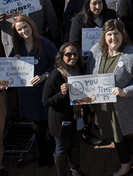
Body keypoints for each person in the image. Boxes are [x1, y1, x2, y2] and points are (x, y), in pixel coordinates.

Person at [86, 19, 133, 176]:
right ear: (104, 36)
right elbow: (89, 75)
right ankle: (125, 165)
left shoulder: (132, 53)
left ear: (123, 35)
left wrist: (125, 91)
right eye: (109, 34)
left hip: (129, 108)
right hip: (106, 108)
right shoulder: (95, 51)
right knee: (117, 139)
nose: (113, 38)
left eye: (116, 34)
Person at [8, 15, 58, 166]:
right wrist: (14, 62)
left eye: (25, 27)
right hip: (28, 94)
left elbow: (58, 64)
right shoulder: (17, 48)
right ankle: (42, 153)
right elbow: (8, 70)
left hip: (44, 91)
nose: (24, 31)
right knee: (37, 126)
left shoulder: (45, 43)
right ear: (16, 32)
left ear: (31, 25)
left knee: (49, 126)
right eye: (19, 29)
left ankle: (49, 154)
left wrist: (45, 75)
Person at [42, 42, 87, 176]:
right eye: (68, 54)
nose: (72, 57)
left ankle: (75, 170)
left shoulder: (79, 71)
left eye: (75, 54)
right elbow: (46, 101)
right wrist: (61, 94)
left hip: (77, 117)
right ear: (61, 56)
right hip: (61, 120)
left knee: (75, 144)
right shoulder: (55, 76)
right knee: (61, 148)